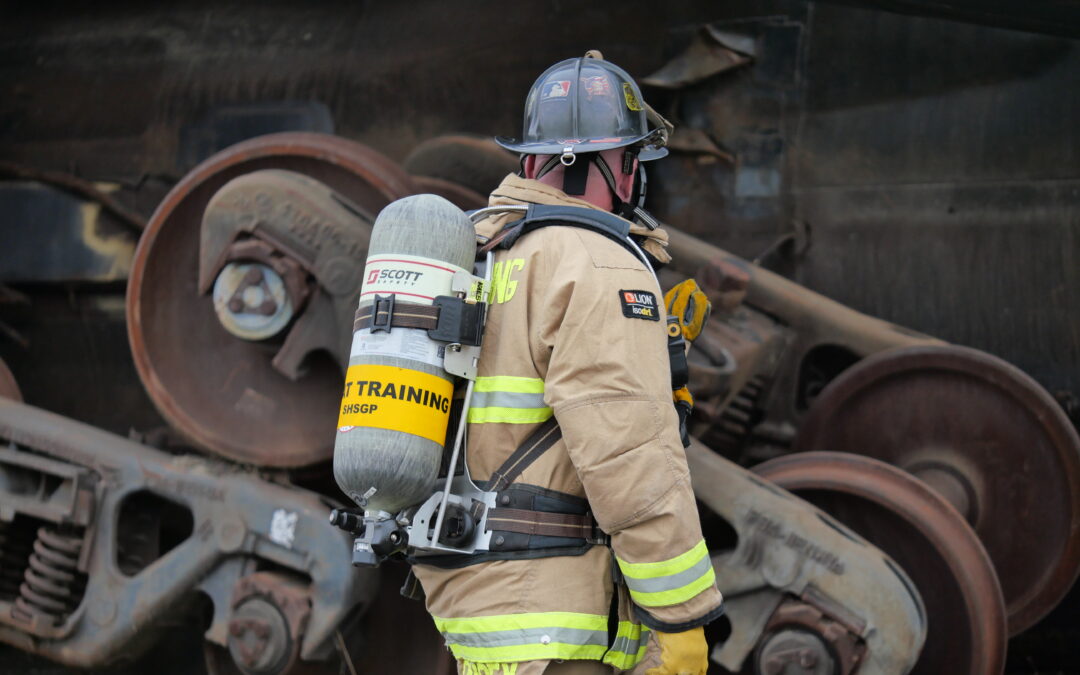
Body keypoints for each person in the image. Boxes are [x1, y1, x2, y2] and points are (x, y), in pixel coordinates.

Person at [411, 51, 724, 675]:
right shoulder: (599, 263)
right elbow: (628, 458)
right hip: (558, 621)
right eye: (634, 159)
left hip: (478, 611)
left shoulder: (479, 248)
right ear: (611, 162)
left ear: (530, 158)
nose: (637, 178)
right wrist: (683, 621)